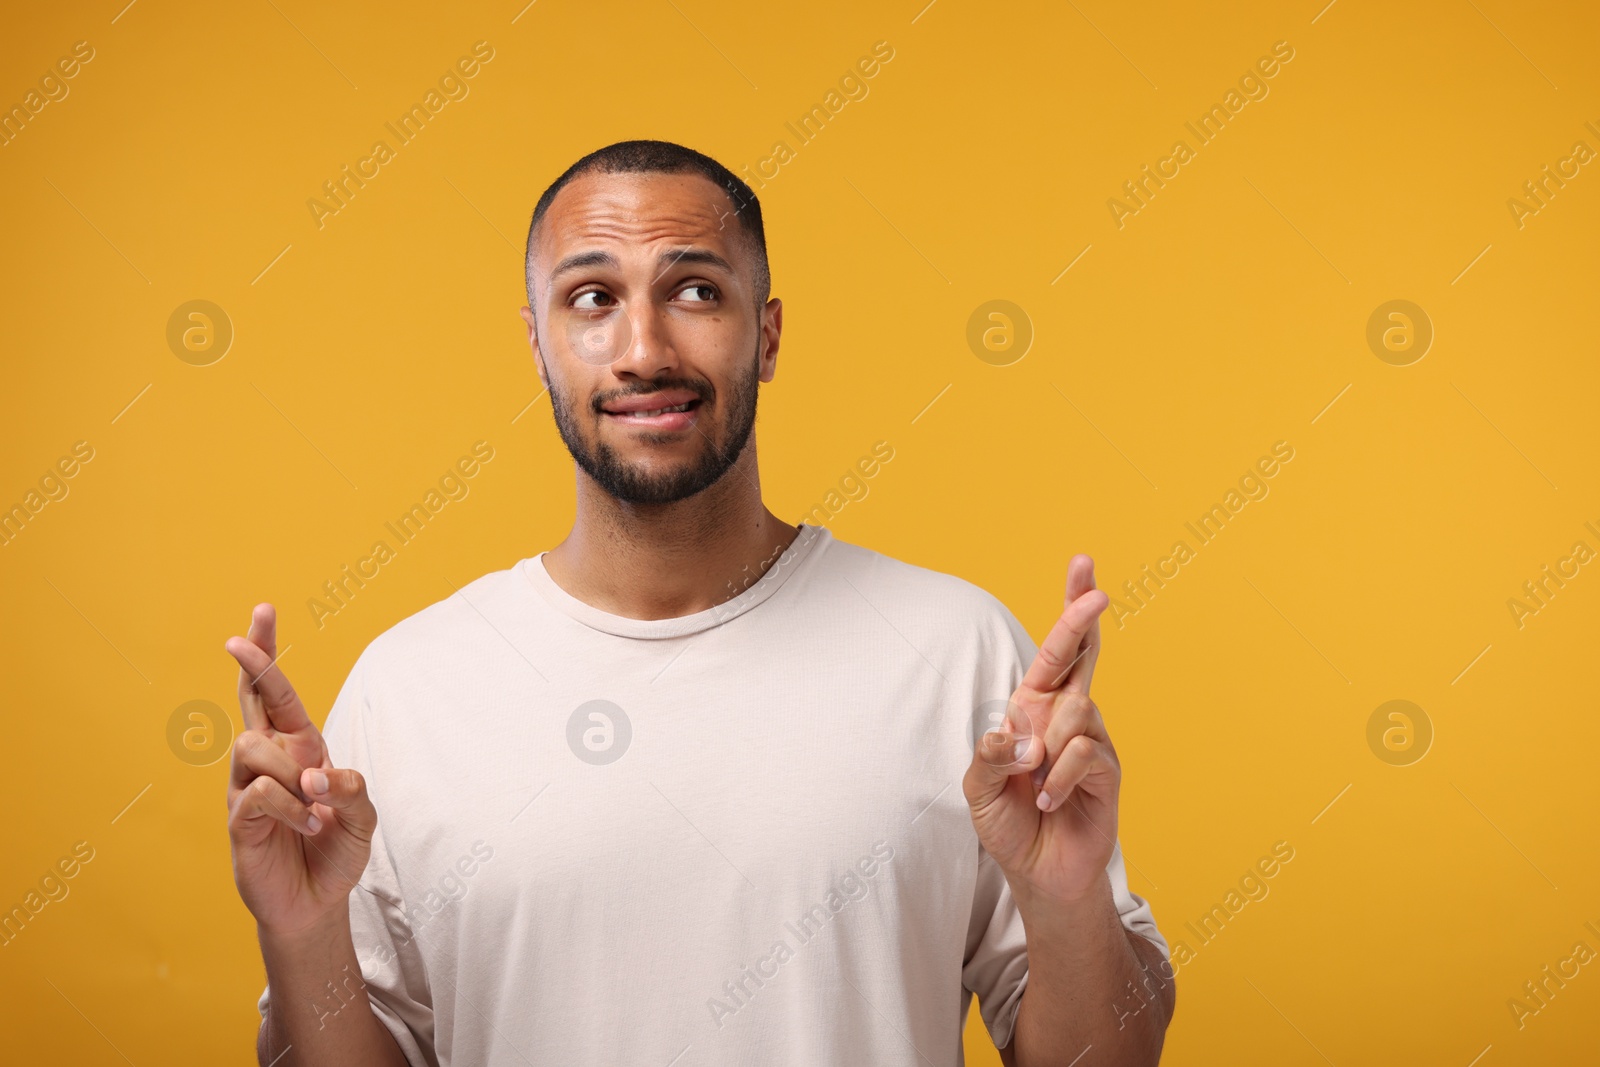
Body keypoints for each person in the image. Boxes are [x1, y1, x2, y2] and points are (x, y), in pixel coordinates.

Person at [224, 139, 1175, 1066]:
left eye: (695, 291)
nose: (644, 349)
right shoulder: (408, 690)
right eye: (593, 298)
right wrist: (304, 935)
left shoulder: (957, 653)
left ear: (765, 335)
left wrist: (1067, 903)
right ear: (538, 345)